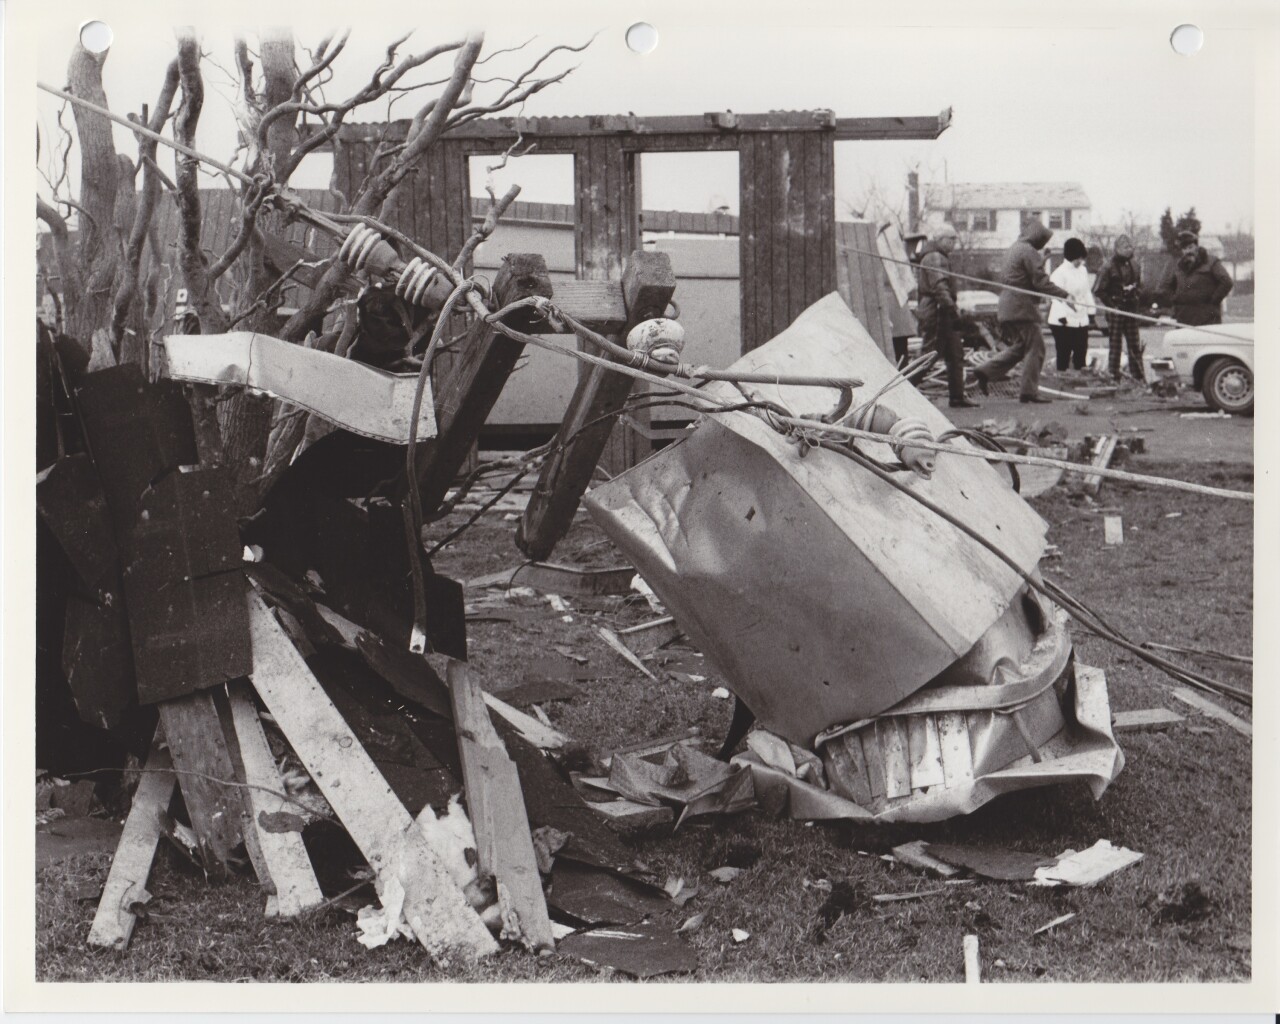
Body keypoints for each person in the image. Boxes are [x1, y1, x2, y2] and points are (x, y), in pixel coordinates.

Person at [972, 219, 1072, 403]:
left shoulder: (1014, 248)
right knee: (1037, 347)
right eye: (1042, 240)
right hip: (1021, 306)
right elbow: (1040, 281)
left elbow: (1023, 274)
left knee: (1020, 347)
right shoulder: (1028, 251)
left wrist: (1043, 259)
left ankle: (985, 371)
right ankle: (1028, 392)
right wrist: (1065, 296)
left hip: (1007, 305)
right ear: (1035, 236)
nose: (1042, 244)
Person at [915, 223, 978, 407]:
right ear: (940, 239)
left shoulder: (938, 256)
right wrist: (952, 310)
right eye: (951, 239)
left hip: (943, 311)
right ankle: (901, 390)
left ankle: (957, 396)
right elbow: (940, 287)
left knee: (955, 354)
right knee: (929, 355)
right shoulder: (935, 257)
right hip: (938, 312)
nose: (954, 244)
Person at [1093, 235, 1146, 381]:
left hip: (1131, 309)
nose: (1129, 249)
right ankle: (1113, 376)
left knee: (1134, 345)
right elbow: (1098, 290)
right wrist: (1112, 305)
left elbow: (1141, 285)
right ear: (1117, 249)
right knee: (1115, 346)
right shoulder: (1107, 266)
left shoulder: (1135, 265)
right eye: (1125, 247)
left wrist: (1135, 292)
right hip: (1115, 309)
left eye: (1130, 246)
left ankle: (1138, 377)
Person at [1154, 230, 1234, 326]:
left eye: (1190, 247)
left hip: (1207, 318)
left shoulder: (1211, 262)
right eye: (1184, 249)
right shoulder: (1178, 267)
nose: (1188, 251)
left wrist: (1213, 301)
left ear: (1196, 247)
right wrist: (1176, 300)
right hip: (1184, 318)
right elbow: (1163, 287)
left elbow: (1227, 282)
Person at [1047, 237, 1094, 373]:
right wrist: (1062, 316)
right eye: (1077, 258)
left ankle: (1080, 380)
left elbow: (1086, 292)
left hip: (1080, 319)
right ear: (1070, 256)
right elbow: (1055, 297)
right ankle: (1062, 380)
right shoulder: (1059, 274)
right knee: (1064, 353)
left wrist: (1091, 313)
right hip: (1063, 321)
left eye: (1081, 258)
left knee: (1081, 352)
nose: (1080, 261)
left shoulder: (1083, 271)